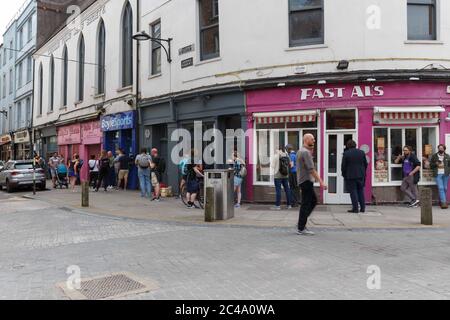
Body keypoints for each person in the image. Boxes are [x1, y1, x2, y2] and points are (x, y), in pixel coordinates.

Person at [297, 134, 327, 236]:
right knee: (306, 203)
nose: (314, 140)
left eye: (314, 139)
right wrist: (321, 182)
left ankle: (302, 222)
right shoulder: (305, 152)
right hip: (306, 181)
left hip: (303, 180)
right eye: (312, 139)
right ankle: (301, 227)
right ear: (306, 140)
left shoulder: (302, 151)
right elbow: (311, 169)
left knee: (312, 201)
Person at [341, 140, 368, 213]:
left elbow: (343, 166)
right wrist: (363, 172)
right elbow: (365, 164)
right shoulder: (361, 152)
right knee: (360, 191)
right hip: (361, 175)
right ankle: (362, 208)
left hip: (350, 175)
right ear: (355, 145)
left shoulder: (346, 154)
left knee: (353, 191)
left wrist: (344, 174)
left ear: (348, 146)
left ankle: (355, 208)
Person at [430, 144, 450, 209]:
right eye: (439, 148)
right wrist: (435, 164)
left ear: (444, 149)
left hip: (446, 174)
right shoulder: (434, 156)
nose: (440, 149)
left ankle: (441, 201)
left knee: (445, 188)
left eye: (442, 148)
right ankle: (444, 203)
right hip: (438, 174)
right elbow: (431, 165)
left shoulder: (447, 156)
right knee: (441, 188)